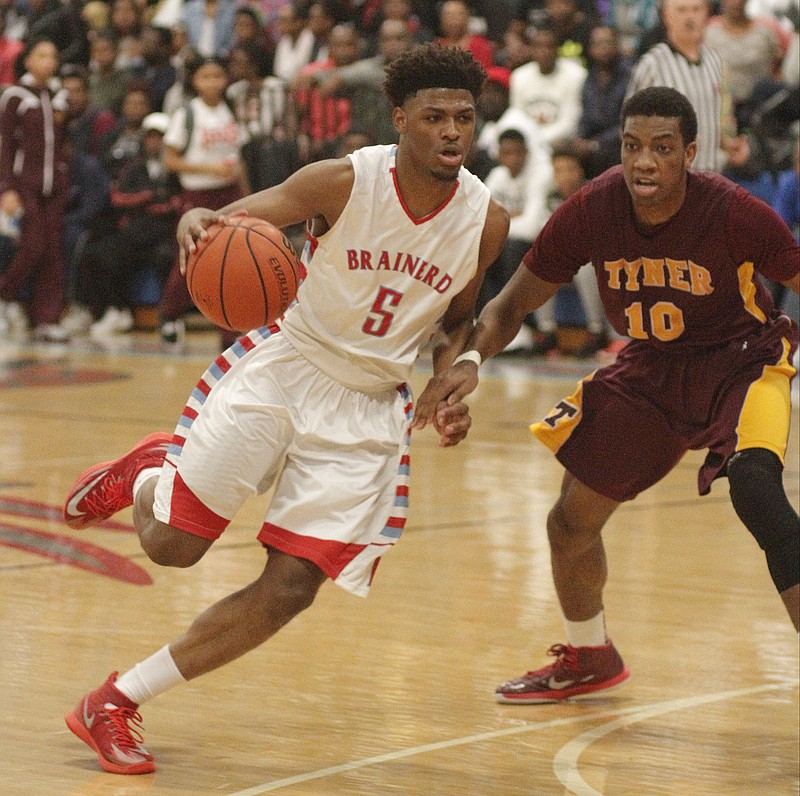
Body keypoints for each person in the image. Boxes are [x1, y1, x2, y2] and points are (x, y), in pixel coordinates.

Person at [62, 43, 508, 774]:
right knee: (173, 546)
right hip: (288, 371)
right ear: (400, 118)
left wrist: (455, 371)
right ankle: (148, 473)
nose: (453, 132)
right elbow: (229, 221)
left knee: (293, 587)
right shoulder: (343, 181)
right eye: (434, 117)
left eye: (464, 117)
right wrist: (199, 220)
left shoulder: (484, 220)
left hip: (367, 410)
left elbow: (457, 316)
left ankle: (113, 701)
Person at [412, 86, 799, 703]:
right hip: (650, 370)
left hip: (741, 365)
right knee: (570, 521)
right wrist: (467, 360)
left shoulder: (733, 212)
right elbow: (513, 301)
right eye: (632, 146)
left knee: (755, 488)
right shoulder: (593, 209)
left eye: (662, 149)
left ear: (690, 153)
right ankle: (590, 655)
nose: (644, 161)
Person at [0, 38, 71, 342]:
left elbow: (63, 140)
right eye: (41, 55)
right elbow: (4, 144)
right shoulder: (14, 96)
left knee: (54, 251)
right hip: (24, 183)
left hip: (53, 186)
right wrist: (6, 188)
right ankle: (4, 298)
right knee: (32, 246)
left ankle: (46, 318)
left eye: (53, 55)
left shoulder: (59, 96)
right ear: (27, 60)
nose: (49, 61)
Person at [625, 0, 748, 173]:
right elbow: (630, 128)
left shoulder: (717, 63)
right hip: (666, 178)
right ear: (666, 16)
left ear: (707, 14)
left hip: (711, 176)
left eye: (696, 9)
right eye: (681, 10)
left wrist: (730, 145)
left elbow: (722, 120)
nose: (690, 17)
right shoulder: (651, 65)